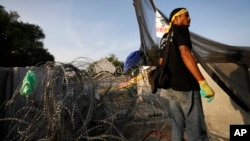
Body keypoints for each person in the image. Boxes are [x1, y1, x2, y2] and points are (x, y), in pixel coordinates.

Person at [159, 7, 215, 141]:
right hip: (186, 86)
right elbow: (185, 53)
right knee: (196, 129)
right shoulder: (181, 29)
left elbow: (161, 61)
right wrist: (202, 81)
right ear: (176, 19)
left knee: (177, 126)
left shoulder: (165, 37)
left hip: (172, 87)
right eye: (186, 15)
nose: (189, 18)